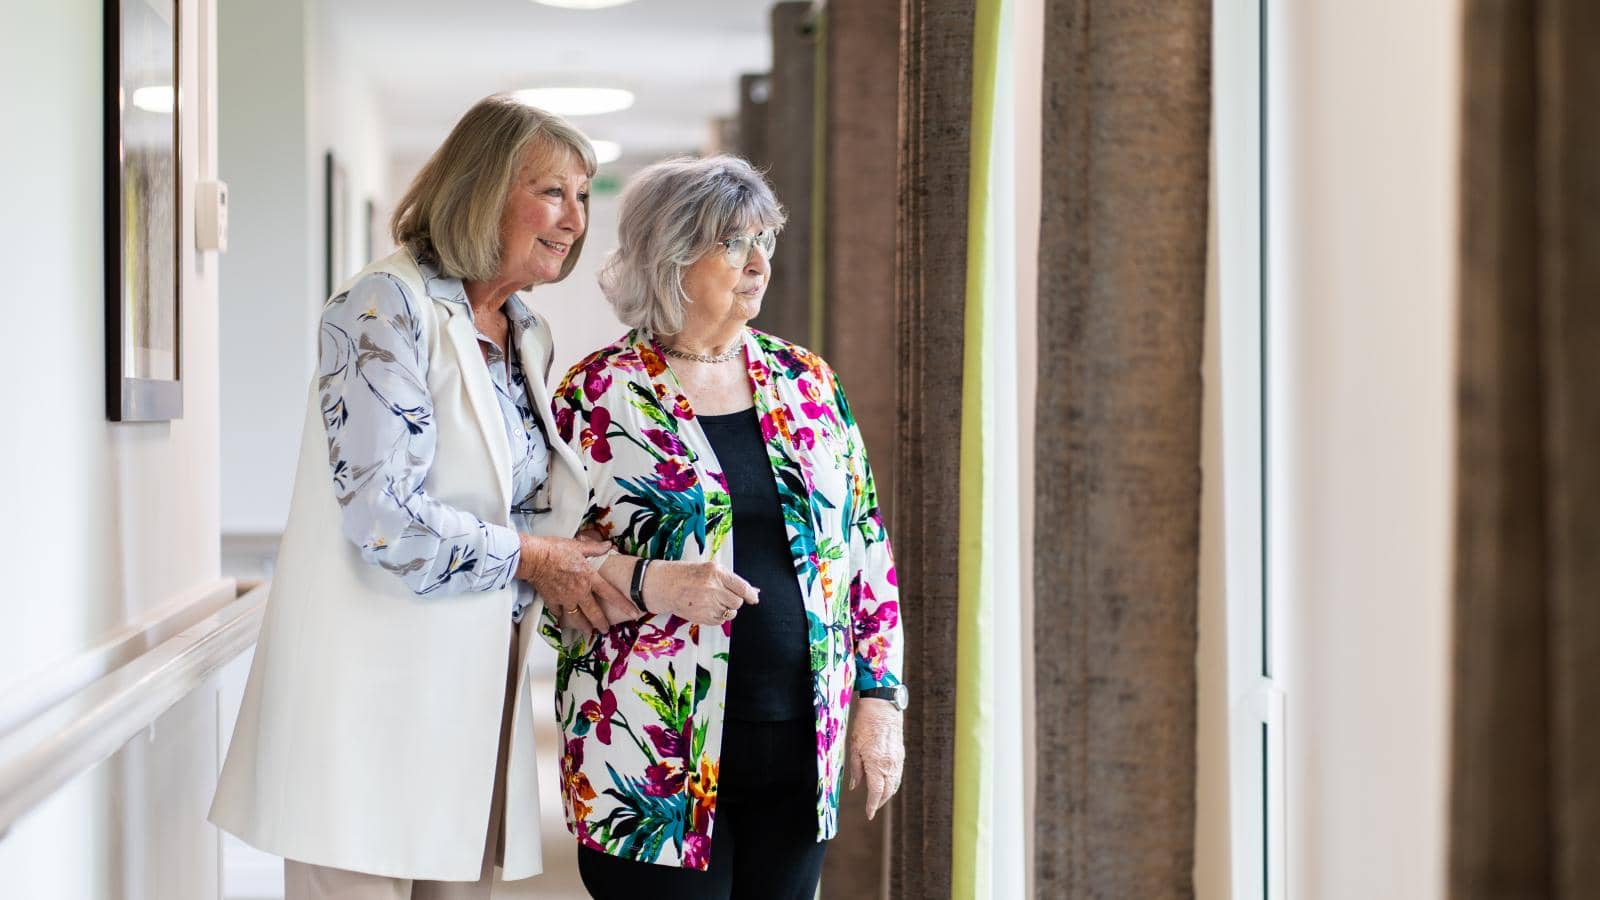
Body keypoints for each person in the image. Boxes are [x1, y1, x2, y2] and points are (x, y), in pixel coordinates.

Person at [209, 96, 755, 899]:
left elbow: (526, 505)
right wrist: (539, 560)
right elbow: (385, 516)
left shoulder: (522, 330)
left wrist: (587, 573)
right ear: (480, 189)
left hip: (475, 694)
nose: (574, 219)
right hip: (370, 691)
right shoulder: (382, 306)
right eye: (552, 192)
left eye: (582, 196)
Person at [542, 155, 907, 899]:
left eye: (765, 239)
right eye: (735, 243)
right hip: (648, 751)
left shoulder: (807, 381)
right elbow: (551, 560)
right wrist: (646, 583)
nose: (760, 262)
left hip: (801, 746)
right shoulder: (599, 393)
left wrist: (880, 699)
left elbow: (866, 545)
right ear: (673, 254)